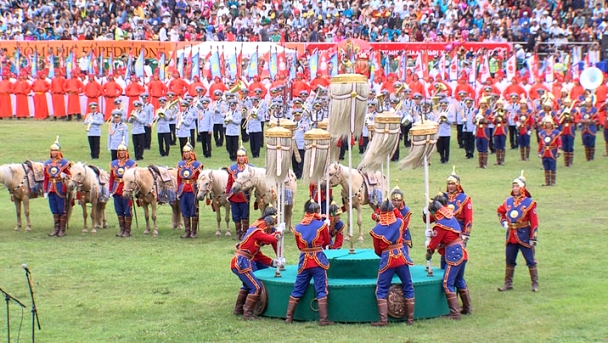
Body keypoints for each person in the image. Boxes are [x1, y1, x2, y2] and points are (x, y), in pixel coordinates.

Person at [285, 199, 334, 326]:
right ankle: (323, 319)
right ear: (317, 211)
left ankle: (288, 317)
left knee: (298, 287)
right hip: (318, 260)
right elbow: (327, 241)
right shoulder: (321, 225)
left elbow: (299, 246)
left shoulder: (298, 227)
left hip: (304, 260)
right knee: (321, 288)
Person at [231, 206, 282, 320]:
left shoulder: (257, 235)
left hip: (241, 261)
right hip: (241, 262)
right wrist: (279, 232)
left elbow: (258, 255)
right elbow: (273, 239)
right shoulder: (258, 231)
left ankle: (238, 309)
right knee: (256, 287)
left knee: (247, 285)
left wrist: (272, 262)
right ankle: (248, 314)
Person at [369, 199, 415, 326]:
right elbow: (400, 217)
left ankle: (383, 320)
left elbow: (377, 249)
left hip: (387, 258)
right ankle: (410, 319)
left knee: (381, 289)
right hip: (401, 256)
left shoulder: (376, 229)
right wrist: (394, 209)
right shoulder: (399, 222)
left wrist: (384, 254)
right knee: (408, 285)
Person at [425, 193, 471, 320]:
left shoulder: (440, 226)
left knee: (447, 283)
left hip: (454, 254)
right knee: (459, 281)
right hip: (461, 252)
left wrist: (428, 252)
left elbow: (433, 245)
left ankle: (455, 313)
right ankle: (467, 308)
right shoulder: (451, 218)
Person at [497, 171, 539, 292]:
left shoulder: (529, 203)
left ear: (523, 188)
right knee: (509, 259)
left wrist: (533, 237)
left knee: (530, 260)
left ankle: (534, 284)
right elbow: (500, 211)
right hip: (511, 235)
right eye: (513, 186)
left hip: (524, 234)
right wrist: (503, 221)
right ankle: (508, 283)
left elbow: (534, 222)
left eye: (517, 186)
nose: (514, 188)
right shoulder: (508, 201)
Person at [44, 136, 71, 237]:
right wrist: (45, 190)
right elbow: (46, 177)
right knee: (54, 209)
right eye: (52, 151)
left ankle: (62, 229)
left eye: (55, 151)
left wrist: (65, 175)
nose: (54, 153)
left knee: (61, 209)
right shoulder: (47, 163)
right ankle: (56, 228)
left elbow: (70, 175)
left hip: (60, 187)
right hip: (51, 187)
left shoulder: (64, 163)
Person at [109, 139, 136, 237]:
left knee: (127, 210)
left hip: (126, 188)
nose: (121, 153)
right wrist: (110, 190)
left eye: (123, 151)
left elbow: (134, 178)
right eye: (120, 151)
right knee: (119, 210)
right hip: (116, 189)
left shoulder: (131, 164)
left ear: (126, 152)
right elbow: (111, 178)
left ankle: (127, 230)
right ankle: (122, 229)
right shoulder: (114, 164)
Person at [177, 142, 203, 239]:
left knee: (193, 210)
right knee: (184, 210)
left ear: (192, 152)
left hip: (193, 189)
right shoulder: (180, 164)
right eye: (185, 152)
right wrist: (178, 190)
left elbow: (200, 178)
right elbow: (178, 179)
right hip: (183, 189)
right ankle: (187, 231)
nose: (186, 154)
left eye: (188, 152)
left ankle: (193, 232)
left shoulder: (197, 165)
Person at [226, 146, 252, 240]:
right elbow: (229, 182)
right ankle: (238, 233)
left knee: (244, 215)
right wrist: (227, 193)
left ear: (246, 157)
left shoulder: (250, 168)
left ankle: (245, 232)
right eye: (239, 156)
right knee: (236, 215)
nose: (241, 158)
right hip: (234, 195)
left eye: (243, 156)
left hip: (244, 195)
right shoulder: (232, 168)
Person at [444, 167, 473, 248]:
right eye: (449, 184)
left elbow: (468, 218)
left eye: (453, 184)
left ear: (457, 185)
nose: (450, 186)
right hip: (444, 230)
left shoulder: (465, 198)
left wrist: (466, 235)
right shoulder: (443, 197)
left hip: (458, 230)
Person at [538, 115, 562, 187]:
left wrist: (559, 150)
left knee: (552, 167)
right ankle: (547, 182)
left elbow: (559, 142)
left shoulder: (556, 132)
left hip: (552, 151)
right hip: (544, 152)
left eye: (549, 123)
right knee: (546, 167)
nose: (548, 124)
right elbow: (540, 143)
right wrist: (539, 151)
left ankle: (553, 182)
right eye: (547, 123)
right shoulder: (542, 133)